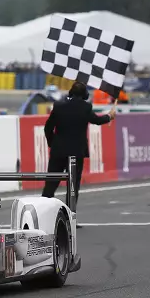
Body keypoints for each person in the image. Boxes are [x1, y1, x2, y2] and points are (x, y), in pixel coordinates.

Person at [41, 81, 116, 211]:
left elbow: (48, 128)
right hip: (76, 153)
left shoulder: (58, 106)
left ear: (70, 92)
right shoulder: (85, 107)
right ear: (85, 95)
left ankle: (42, 213)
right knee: (73, 187)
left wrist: (52, 143)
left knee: (50, 185)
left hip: (58, 151)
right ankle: (70, 217)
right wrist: (109, 116)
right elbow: (97, 121)